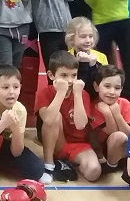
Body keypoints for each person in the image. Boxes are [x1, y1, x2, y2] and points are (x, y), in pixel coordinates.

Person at [0, 65, 49, 185]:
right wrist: (3, 123)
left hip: (1, 145)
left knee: (36, 170)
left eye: (16, 87)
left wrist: (16, 129)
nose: (11, 92)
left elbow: (17, 152)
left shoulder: (20, 110)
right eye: (5, 87)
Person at [36, 51, 102, 182]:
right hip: (57, 143)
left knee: (93, 172)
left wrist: (77, 94)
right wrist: (60, 93)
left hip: (79, 144)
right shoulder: (45, 92)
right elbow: (48, 120)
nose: (70, 80)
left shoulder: (82, 94)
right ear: (51, 75)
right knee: (55, 116)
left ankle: (68, 164)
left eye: (74, 75)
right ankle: (49, 165)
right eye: (64, 75)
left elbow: (81, 125)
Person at [94, 65, 130, 172]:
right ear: (96, 86)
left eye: (117, 88)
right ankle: (108, 166)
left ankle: (111, 166)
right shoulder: (93, 106)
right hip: (100, 150)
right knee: (118, 136)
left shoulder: (125, 103)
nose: (112, 92)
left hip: (122, 148)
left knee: (121, 136)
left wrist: (117, 114)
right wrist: (108, 114)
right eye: (107, 86)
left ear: (121, 89)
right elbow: (111, 132)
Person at [65, 17, 109, 89]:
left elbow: (104, 83)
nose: (88, 40)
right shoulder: (66, 58)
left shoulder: (101, 57)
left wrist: (93, 66)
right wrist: (82, 64)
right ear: (71, 38)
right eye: (83, 37)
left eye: (91, 36)